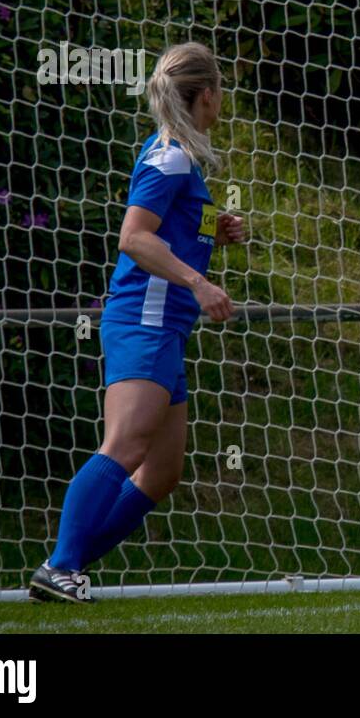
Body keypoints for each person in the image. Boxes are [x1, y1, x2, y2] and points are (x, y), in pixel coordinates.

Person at [31, 42, 245, 603]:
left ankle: (62, 565)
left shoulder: (179, 156)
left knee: (162, 471)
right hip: (145, 321)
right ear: (206, 95)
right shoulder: (171, 156)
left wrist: (210, 234)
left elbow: (165, 232)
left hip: (165, 327)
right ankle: (59, 566)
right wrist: (200, 284)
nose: (222, 101)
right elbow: (135, 237)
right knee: (124, 445)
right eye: (219, 91)